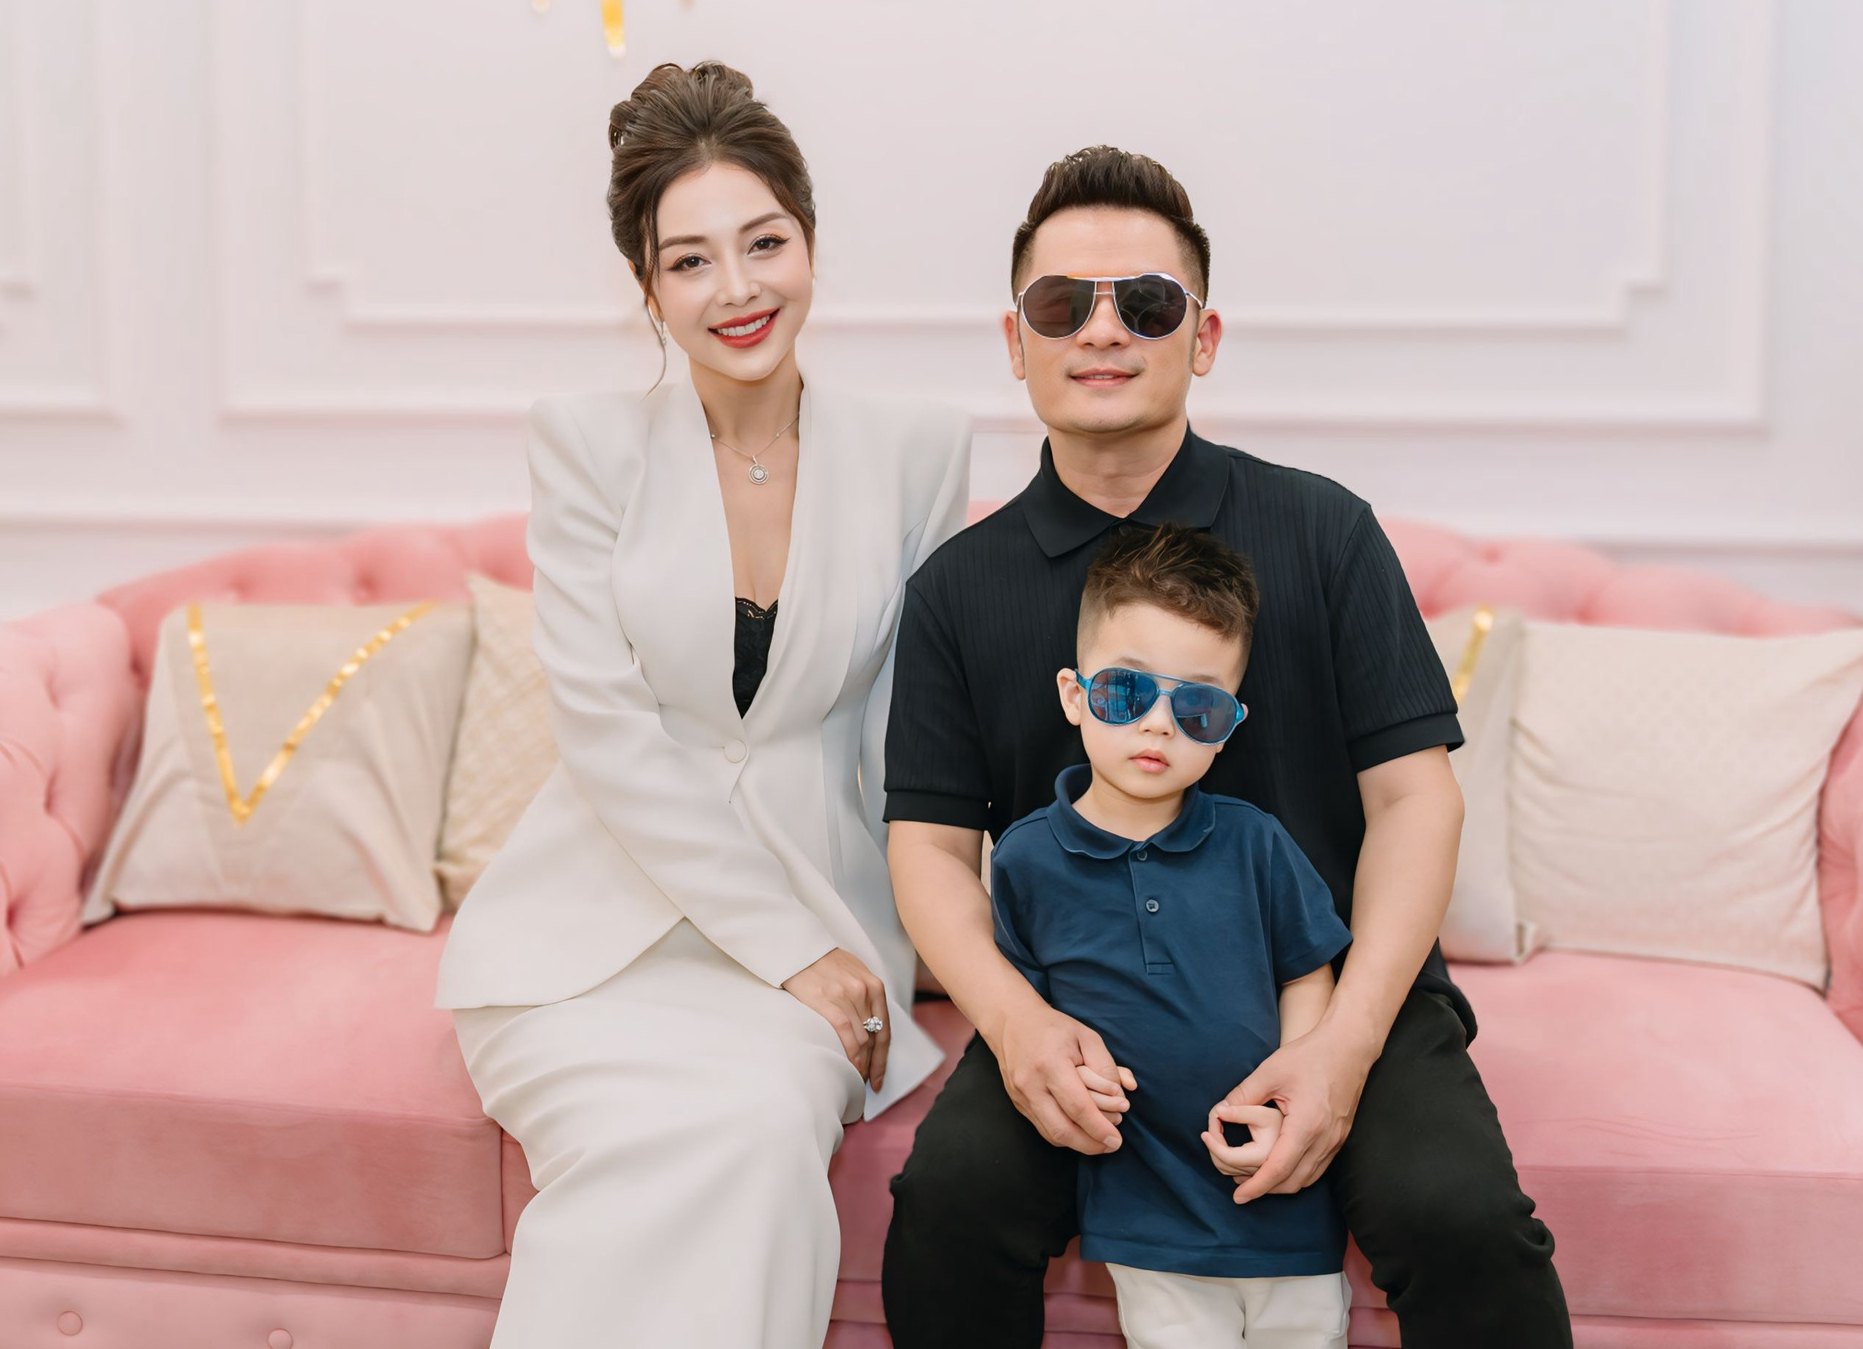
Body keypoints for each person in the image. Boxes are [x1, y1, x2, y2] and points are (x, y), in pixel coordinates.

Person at [880, 146, 1571, 1348]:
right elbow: (930, 846)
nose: (1103, 330)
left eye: (1147, 303)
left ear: (1201, 337)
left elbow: (1418, 801)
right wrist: (1015, 1019)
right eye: (1062, 303)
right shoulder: (957, 587)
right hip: (1080, 1005)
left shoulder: (1325, 531)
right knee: (947, 1210)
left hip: (1338, 986)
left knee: (1461, 1220)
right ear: (1016, 340)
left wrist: (1344, 1045)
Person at [434, 61, 970, 1348]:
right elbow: (608, 735)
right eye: (690, 261)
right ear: (648, 287)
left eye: (763, 242)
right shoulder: (585, 443)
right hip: (587, 939)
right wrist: (792, 949)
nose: (737, 288)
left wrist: (962, 941)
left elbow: (913, 740)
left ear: (810, 242)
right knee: (641, 1145)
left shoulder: (918, 449)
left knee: (761, 1120)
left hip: (816, 927)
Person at [992, 523, 1355, 1348]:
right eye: (1126, 693)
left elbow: (1306, 971)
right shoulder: (1026, 859)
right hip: (1143, 1214)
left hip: (1281, 1193)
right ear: (1075, 694)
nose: (1158, 725)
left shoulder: (1256, 841)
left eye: (1196, 707)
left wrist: (1285, 1099)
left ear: (1230, 725)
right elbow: (1023, 1010)